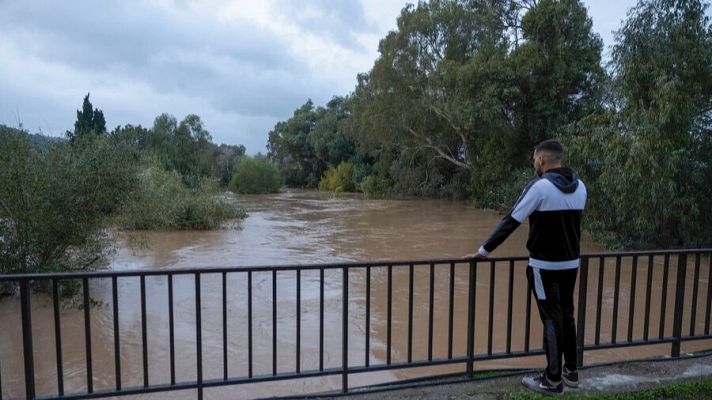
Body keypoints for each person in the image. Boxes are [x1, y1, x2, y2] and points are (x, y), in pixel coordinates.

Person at [465, 139, 587, 396]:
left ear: (542, 160)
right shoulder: (580, 187)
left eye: (534, 159)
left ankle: (553, 381)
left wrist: (483, 251)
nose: (534, 163)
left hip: (544, 266)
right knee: (567, 314)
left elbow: (511, 220)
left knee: (551, 320)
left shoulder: (540, 188)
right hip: (571, 264)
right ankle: (571, 371)